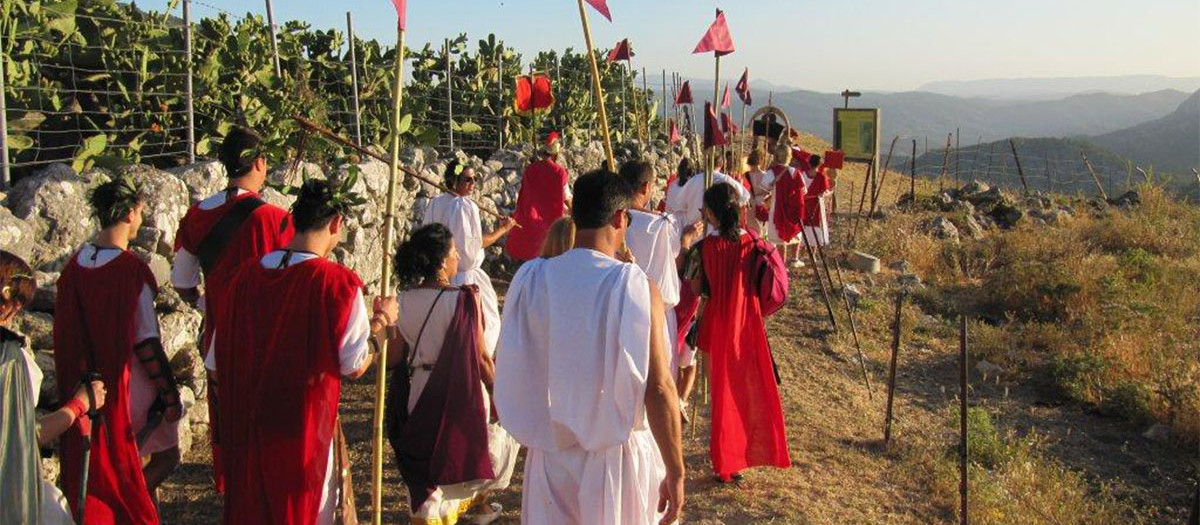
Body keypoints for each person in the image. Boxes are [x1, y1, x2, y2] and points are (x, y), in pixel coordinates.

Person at [495, 170, 685, 525]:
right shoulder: (637, 286)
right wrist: (675, 469)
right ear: (619, 218)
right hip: (615, 456)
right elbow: (658, 387)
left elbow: (513, 361)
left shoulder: (530, 278)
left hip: (550, 456)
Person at [211, 178, 396, 525]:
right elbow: (354, 365)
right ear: (337, 222)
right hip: (303, 429)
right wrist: (380, 325)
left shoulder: (245, 277)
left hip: (248, 427)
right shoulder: (336, 283)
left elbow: (216, 362)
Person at [171, 127, 294, 492]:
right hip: (264, 333)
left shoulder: (197, 214)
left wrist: (208, 302)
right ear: (259, 163)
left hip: (219, 333)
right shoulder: (273, 218)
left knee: (228, 418)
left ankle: (234, 484)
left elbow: (181, 280)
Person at [53, 176, 182, 524]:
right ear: (128, 213)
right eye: (140, 212)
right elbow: (145, 341)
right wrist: (170, 396)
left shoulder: (75, 266)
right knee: (166, 457)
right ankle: (126, 511)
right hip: (128, 388)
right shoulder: (129, 272)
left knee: (113, 465)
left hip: (86, 389)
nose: (141, 219)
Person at [385, 223, 520, 525]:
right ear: (443, 261)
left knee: (428, 472)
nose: (458, 256)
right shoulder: (463, 299)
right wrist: (500, 393)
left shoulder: (403, 300)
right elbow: (482, 358)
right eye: (454, 251)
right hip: (459, 393)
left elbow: (394, 357)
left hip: (419, 390)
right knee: (467, 455)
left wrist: (385, 321)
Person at [688, 183, 790, 483]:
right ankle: (742, 454)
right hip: (748, 323)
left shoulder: (705, 247)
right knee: (746, 390)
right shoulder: (753, 241)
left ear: (709, 211)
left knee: (721, 395)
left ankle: (725, 461)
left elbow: (695, 289)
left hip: (716, 325)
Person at [0, 250, 106, 525]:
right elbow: (19, 439)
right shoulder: (9, 357)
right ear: (7, 302)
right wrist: (79, 405)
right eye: (20, 300)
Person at [619, 160, 704, 422]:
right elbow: (676, 266)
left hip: (618, 309)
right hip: (655, 312)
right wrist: (687, 241)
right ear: (646, 187)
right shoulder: (662, 225)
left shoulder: (613, 220)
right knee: (657, 379)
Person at [422, 160, 516, 355]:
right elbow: (471, 248)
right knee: (485, 328)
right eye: (468, 179)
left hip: (439, 276)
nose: (473, 184)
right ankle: (476, 371)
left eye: (475, 179)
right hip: (464, 277)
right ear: (454, 180)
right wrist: (503, 230)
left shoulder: (435, 204)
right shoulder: (464, 205)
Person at [505, 131, 572, 261]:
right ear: (556, 154)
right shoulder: (560, 172)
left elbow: (524, 194)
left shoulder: (530, 169)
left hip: (530, 223)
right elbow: (567, 198)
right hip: (551, 226)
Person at [765, 144, 806, 268]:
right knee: (786, 241)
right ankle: (787, 263)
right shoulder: (795, 172)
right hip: (792, 211)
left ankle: (777, 265)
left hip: (776, 209)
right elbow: (803, 191)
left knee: (776, 242)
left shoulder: (772, 172)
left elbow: (764, 187)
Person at [800, 154, 833, 248]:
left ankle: (800, 255)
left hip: (803, 206)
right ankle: (812, 256)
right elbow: (825, 192)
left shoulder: (802, 174)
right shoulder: (822, 177)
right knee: (814, 232)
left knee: (803, 230)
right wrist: (829, 193)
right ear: (819, 165)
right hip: (815, 208)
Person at [745, 149, 774, 234]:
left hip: (750, 207)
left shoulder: (745, 176)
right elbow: (771, 193)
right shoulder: (767, 176)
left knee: (752, 233)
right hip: (763, 206)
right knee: (764, 234)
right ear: (761, 160)